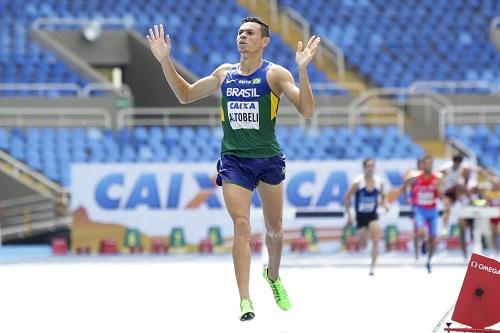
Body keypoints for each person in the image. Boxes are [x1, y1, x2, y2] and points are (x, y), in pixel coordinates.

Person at [147, 17, 321, 321]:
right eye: (240, 32)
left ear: (264, 41)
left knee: (275, 229)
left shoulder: (275, 75)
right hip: (234, 162)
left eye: (250, 33)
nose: (243, 36)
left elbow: (307, 111)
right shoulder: (224, 74)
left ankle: (273, 275)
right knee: (241, 225)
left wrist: (303, 71)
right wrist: (165, 61)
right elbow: (186, 95)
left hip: (267, 160)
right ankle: (245, 300)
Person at [344, 158, 388, 276]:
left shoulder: (379, 182)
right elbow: (347, 198)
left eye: (372, 166)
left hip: (373, 215)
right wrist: (349, 215)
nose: (370, 168)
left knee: (376, 240)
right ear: (364, 168)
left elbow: (383, 197)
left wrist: (385, 205)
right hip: (360, 216)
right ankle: (365, 236)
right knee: (364, 243)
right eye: (368, 166)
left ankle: (372, 268)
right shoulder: (358, 183)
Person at [403, 155, 443, 273]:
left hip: (432, 210)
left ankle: (429, 261)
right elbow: (404, 185)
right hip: (420, 209)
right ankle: (423, 243)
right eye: (426, 163)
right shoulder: (415, 177)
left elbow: (442, 196)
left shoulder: (437, 178)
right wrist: (407, 197)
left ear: (432, 165)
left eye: (430, 164)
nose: (428, 166)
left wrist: (438, 189)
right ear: (422, 164)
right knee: (420, 231)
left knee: (433, 238)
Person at [439, 155, 471, 231]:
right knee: (447, 210)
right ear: (454, 162)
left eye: (459, 163)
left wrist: (466, 180)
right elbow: (439, 172)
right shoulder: (447, 167)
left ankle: (465, 200)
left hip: (457, 192)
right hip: (448, 192)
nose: (458, 165)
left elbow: (470, 170)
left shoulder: (463, 169)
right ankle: (444, 228)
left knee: (461, 186)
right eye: (457, 163)